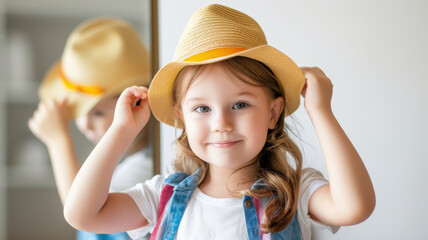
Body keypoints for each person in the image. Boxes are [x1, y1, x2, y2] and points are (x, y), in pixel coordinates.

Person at [63, 4, 375, 240]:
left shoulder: (296, 194)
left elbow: (354, 207)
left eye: (240, 104)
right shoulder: (160, 197)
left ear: (273, 111)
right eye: (202, 109)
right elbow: (82, 215)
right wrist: (122, 131)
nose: (221, 123)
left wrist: (321, 111)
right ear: (181, 115)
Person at [28, 18, 153, 240]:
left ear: (136, 105)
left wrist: (58, 140)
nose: (83, 124)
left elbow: (80, 209)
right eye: (78, 112)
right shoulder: (122, 157)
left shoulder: (144, 166)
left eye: (97, 113)